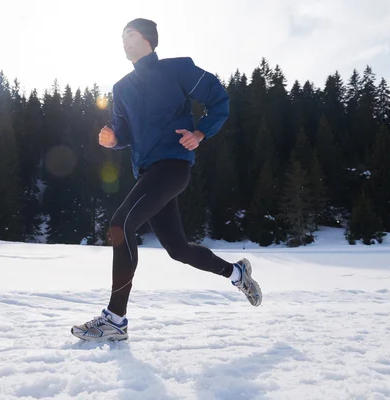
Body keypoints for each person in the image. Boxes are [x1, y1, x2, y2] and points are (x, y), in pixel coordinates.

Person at [71, 18, 262, 341]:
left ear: (147, 39)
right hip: (148, 173)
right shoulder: (121, 88)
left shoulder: (177, 69)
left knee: (121, 225)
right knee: (178, 249)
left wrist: (201, 132)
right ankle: (237, 272)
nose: (124, 42)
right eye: (121, 37)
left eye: (129, 35)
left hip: (172, 166)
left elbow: (219, 99)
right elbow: (125, 132)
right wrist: (112, 137)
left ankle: (115, 320)